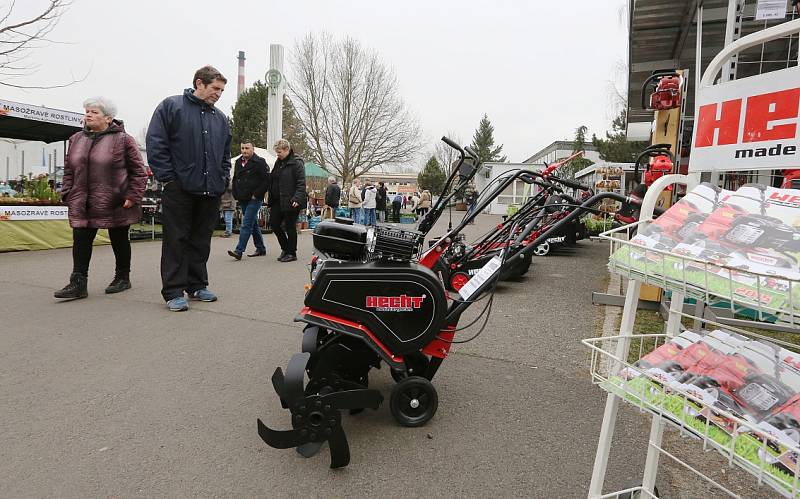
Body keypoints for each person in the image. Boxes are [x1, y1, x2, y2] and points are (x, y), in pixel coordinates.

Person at [146, 65, 231, 312]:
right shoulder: (171, 107)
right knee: (176, 240)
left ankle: (197, 285)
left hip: (211, 190)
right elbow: (156, 143)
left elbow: (225, 154)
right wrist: (168, 179)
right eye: (215, 88)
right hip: (179, 188)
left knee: (201, 240)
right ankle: (173, 290)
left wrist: (222, 178)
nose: (219, 93)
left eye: (222, 90)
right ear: (199, 83)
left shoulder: (220, 119)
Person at [55, 97, 148, 300]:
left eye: (94, 112)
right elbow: (69, 169)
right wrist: (67, 192)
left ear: (108, 118)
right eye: (87, 111)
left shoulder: (124, 140)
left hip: (115, 200)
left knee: (119, 239)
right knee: (80, 240)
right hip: (82, 201)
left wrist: (133, 196)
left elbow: (139, 172)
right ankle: (78, 282)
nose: (88, 114)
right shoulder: (76, 139)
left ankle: (122, 277)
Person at [227, 142, 270, 260]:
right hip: (243, 197)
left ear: (252, 149)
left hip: (255, 198)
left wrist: (257, 194)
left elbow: (266, 181)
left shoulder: (260, 162)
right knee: (253, 223)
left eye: (247, 148)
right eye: (242, 148)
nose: (244, 150)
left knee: (246, 223)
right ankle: (261, 248)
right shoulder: (238, 162)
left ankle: (239, 250)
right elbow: (235, 179)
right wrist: (236, 194)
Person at [268, 138, 306, 262]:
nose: (277, 154)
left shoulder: (297, 163)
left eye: (279, 152)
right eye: (277, 152)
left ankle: (292, 253)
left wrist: (297, 198)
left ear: (287, 150)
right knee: (274, 224)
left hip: (291, 200)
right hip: (277, 200)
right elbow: (274, 179)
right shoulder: (278, 162)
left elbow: (301, 183)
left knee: (290, 226)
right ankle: (285, 248)